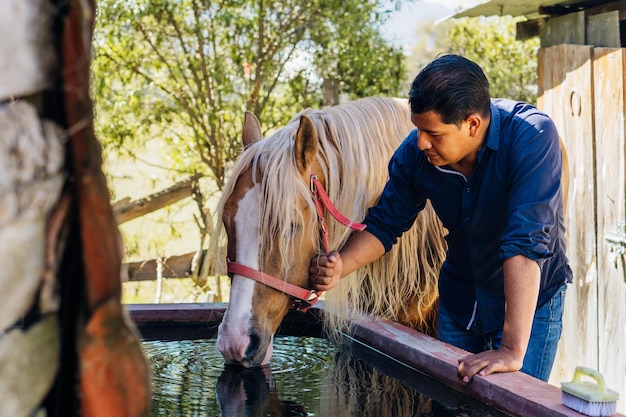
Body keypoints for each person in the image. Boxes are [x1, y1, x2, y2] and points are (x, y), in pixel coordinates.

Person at [309, 54, 572, 383]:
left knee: (512, 402)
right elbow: (385, 223)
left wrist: (511, 349)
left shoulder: (532, 136)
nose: (421, 142)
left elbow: (525, 242)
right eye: (418, 129)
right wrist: (339, 267)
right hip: (461, 301)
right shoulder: (416, 152)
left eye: (433, 133)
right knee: (451, 404)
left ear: (473, 124)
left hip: (529, 306)